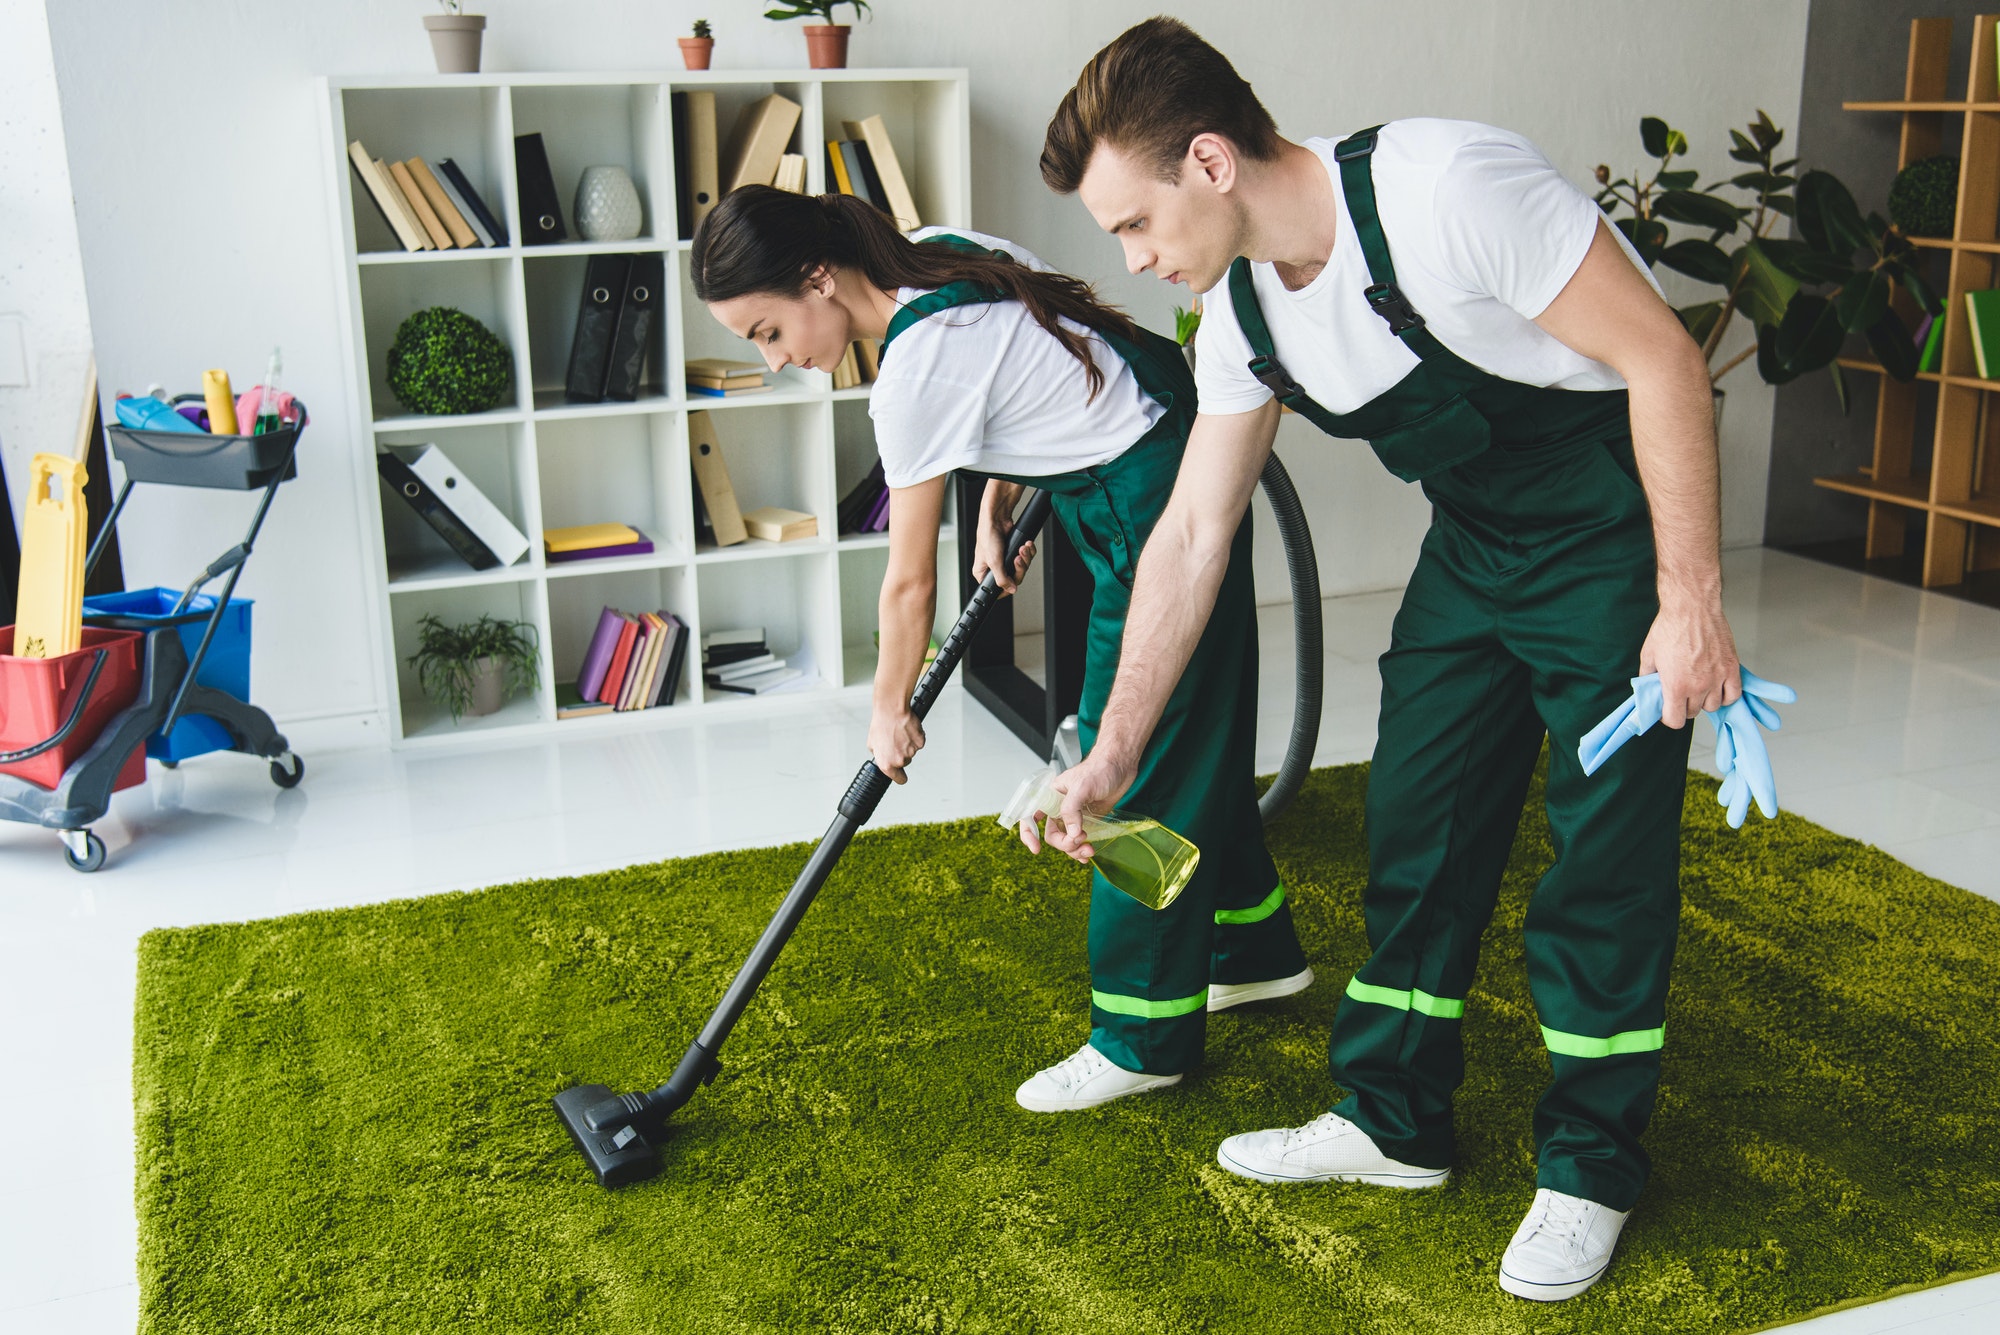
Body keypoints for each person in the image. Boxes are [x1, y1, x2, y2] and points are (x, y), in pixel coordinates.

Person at [1037, 17, 1746, 1302]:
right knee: (1414, 820)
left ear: (1207, 161)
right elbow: (1193, 532)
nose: (1133, 262)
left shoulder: (1444, 190)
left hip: (1605, 531)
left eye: (1132, 225)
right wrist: (1114, 751)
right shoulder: (1244, 307)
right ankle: (1390, 1121)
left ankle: (1587, 1167)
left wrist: (1686, 600)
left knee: (1603, 862)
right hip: (1473, 545)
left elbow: (1662, 359)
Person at [690, 186, 1312, 1111]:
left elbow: (908, 584)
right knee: (1196, 739)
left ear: (818, 281)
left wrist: (886, 710)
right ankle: (1254, 952)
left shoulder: (908, 373)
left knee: (1131, 764)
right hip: (1146, 459)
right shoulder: (937, 252)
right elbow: (1043, 359)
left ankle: (1141, 1036)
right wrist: (1002, 492)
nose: (778, 359)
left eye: (768, 332)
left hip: (1151, 504)